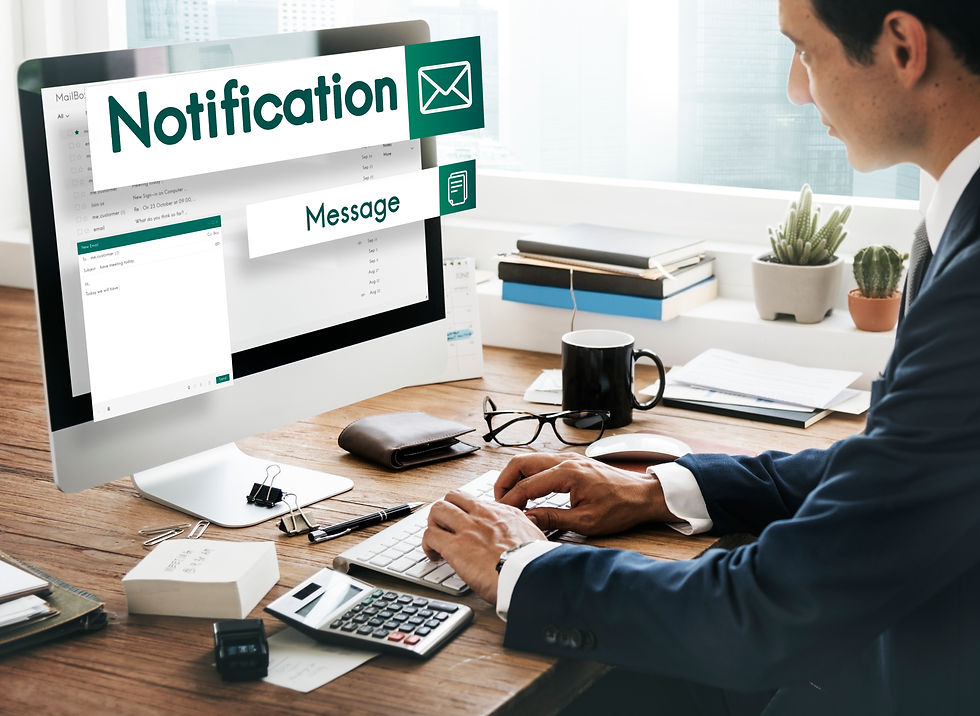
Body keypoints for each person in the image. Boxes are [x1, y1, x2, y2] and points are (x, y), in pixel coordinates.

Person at [421, 1, 980, 713]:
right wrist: (664, 490)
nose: (795, 89)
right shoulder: (958, 214)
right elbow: (901, 466)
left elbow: (770, 615)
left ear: (902, 47)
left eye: (804, 51)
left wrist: (520, 565)